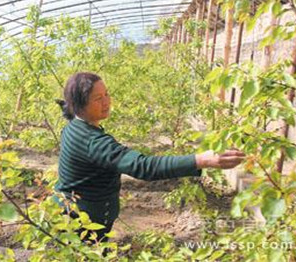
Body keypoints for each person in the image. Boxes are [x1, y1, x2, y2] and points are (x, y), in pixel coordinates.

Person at [54, 72, 245, 240]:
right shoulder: (92, 141)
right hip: (85, 224)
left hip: (73, 213)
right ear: (80, 105)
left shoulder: (75, 125)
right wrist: (202, 160)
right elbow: (143, 166)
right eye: (98, 99)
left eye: (107, 94)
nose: (107, 102)